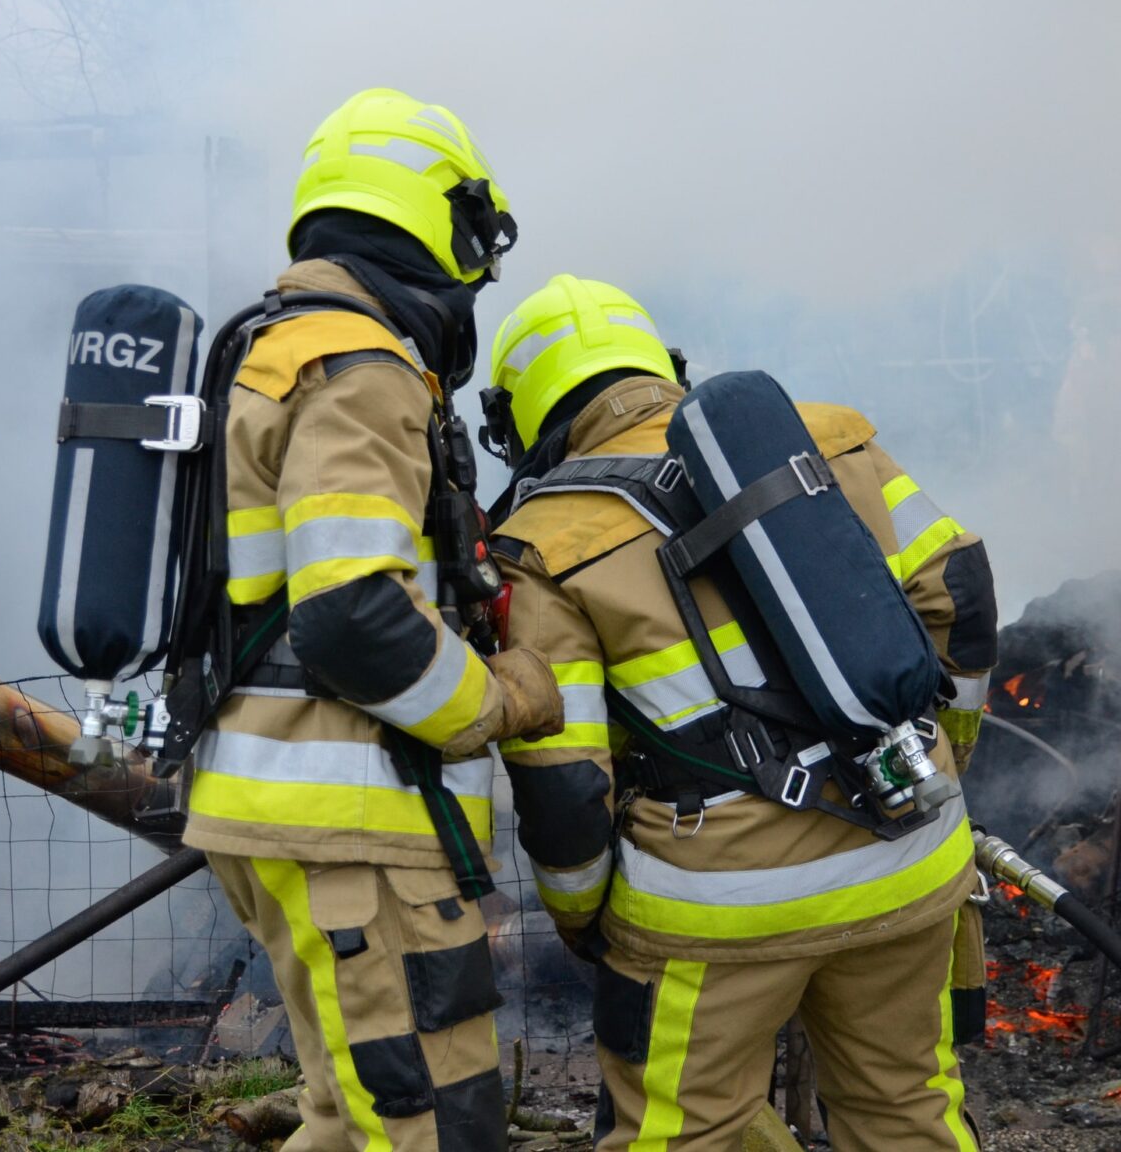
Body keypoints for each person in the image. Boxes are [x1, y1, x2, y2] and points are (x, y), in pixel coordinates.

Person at [483, 274, 997, 1151]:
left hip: (712, 910)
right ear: (662, 364)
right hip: (908, 857)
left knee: (682, 1134)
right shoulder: (833, 439)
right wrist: (936, 766)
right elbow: (962, 597)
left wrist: (585, 921)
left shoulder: (543, 539)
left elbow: (566, 782)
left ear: (522, 417)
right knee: (907, 1109)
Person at [182, 88, 565, 1151]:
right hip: (350, 825)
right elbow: (352, 616)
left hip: (279, 810)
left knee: (350, 1117)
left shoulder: (267, 349)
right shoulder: (361, 369)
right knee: (431, 1126)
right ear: (438, 226)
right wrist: (498, 699)